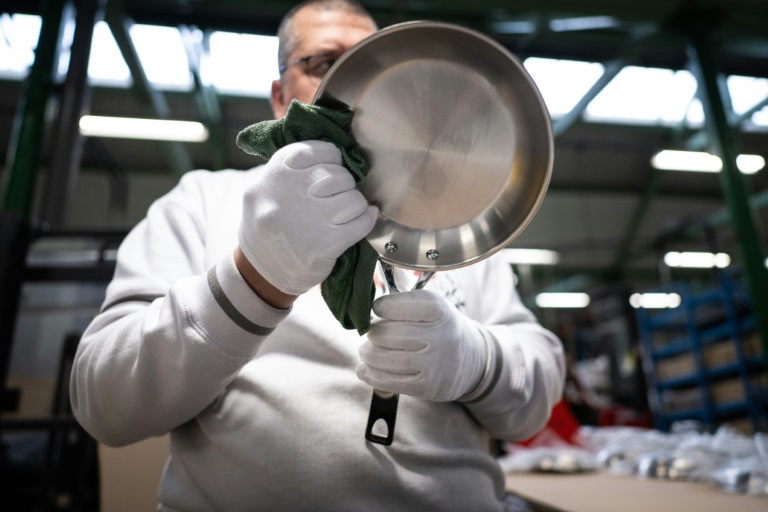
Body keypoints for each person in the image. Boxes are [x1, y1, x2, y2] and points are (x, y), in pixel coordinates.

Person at [70, 1, 566, 510]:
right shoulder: (204, 201)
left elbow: (534, 402)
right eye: (325, 65)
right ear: (280, 96)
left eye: (373, 67)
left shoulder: (460, 220)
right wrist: (254, 278)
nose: (357, 91)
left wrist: (475, 361)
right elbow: (104, 404)